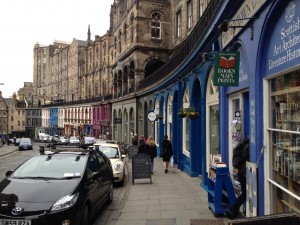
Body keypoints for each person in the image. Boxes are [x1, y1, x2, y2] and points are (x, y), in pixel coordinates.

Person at [225, 137, 249, 219]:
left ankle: (233, 211)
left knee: (245, 194)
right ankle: (232, 211)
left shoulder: (243, 145)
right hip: (245, 173)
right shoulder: (249, 147)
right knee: (246, 194)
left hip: (241, 172)